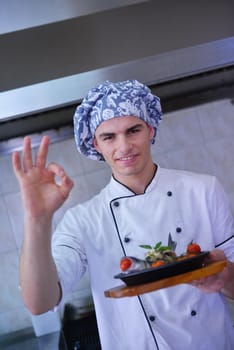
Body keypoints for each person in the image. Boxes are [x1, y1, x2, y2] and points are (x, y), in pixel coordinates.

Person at [12, 80, 234, 350]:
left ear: (150, 129)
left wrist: (225, 277)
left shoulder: (204, 191)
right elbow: (39, 303)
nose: (124, 146)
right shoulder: (83, 220)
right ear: (96, 144)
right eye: (109, 137)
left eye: (133, 130)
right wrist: (37, 219)